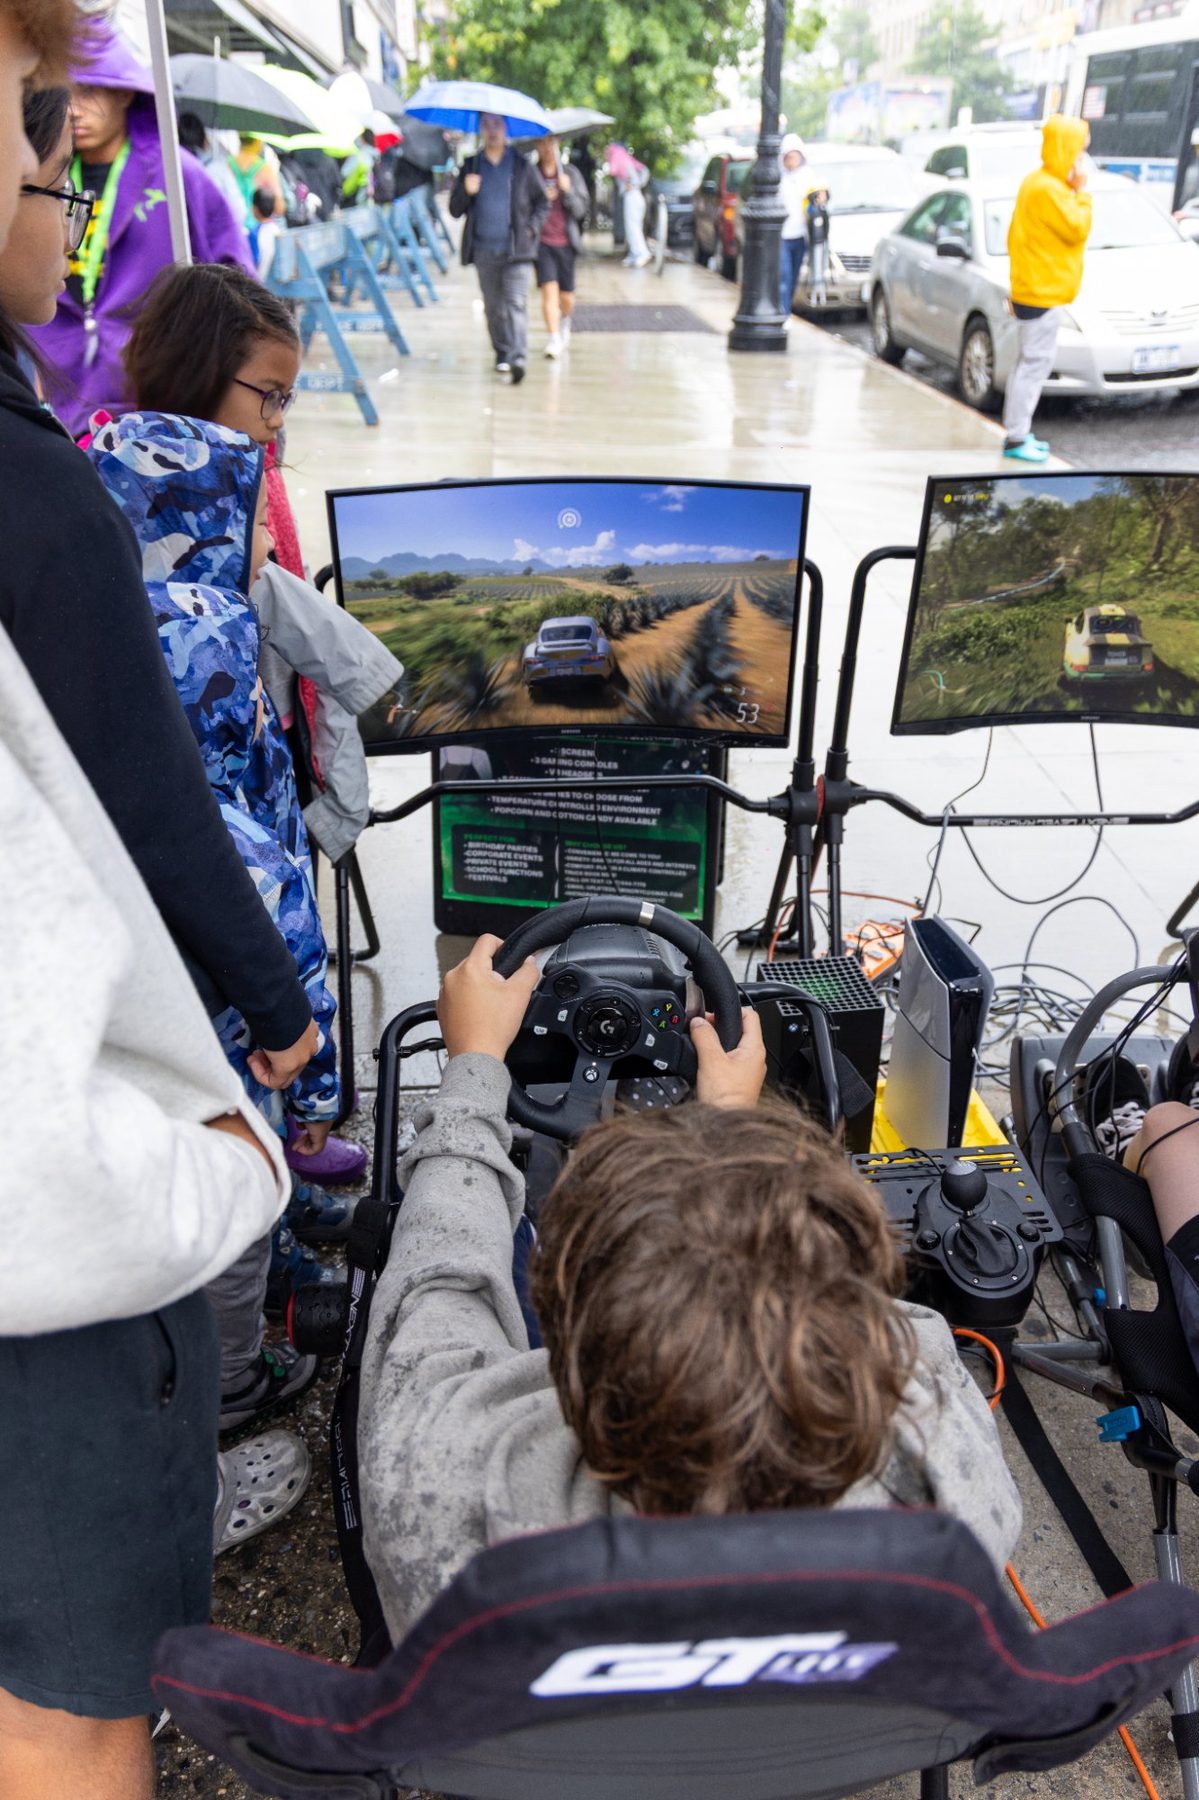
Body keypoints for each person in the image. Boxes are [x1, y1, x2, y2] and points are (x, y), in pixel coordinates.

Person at [0, 9, 292, 1791]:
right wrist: (276, 1005)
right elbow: (155, 805)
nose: (59, 161)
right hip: (47, 1224)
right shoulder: (44, 492)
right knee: (78, 1687)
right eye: (28, 115)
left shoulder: (81, 454)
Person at [358, 936, 1022, 1642]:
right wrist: (732, 1129)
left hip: (558, 1739)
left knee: (512, 1235)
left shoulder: (427, 1490)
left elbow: (438, 1278)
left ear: (568, 1337)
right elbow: (885, 1322)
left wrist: (474, 1070)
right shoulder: (956, 1501)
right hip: (818, 1740)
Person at [88, 410, 349, 1426]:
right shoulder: (215, 631)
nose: (273, 547)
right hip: (235, 1040)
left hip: (129, 1016)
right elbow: (275, 918)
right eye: (257, 525)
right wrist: (318, 1072)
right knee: (231, 1206)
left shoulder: (94, 619)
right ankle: (236, 1393)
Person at [124, 259, 405, 1180]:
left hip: (215, 898)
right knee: (244, 1102)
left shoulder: (136, 485)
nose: (278, 426)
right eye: (270, 398)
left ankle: (281, 1193)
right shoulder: (188, 610)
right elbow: (253, 878)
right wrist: (316, 1061)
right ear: (205, 373)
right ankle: (275, 1233)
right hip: (236, 966)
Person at [25, 18, 251, 438]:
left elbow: (238, 284)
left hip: (162, 398)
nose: (73, 108)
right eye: (64, 92)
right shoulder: (36, 176)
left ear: (126, 93)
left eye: (89, 91)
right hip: (65, 396)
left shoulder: (177, 172)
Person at [1002, 114, 1093, 465]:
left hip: (1034, 291)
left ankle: (1018, 431)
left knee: (1029, 364)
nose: (1080, 160)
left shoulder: (1039, 184)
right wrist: (1082, 192)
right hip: (1039, 294)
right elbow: (1077, 228)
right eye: (1078, 151)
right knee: (1033, 366)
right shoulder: (1048, 189)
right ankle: (1015, 436)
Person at [449, 112, 548, 384]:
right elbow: (455, 210)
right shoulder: (471, 166)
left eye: (497, 124)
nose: (492, 131)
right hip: (484, 249)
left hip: (517, 250)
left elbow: (542, 202)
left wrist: (531, 228)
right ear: (480, 129)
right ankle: (503, 353)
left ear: (505, 128)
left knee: (516, 302)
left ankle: (518, 358)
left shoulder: (521, 165)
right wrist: (465, 191)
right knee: (494, 308)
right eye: (487, 125)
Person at [533, 134, 588, 358]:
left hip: (566, 243)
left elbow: (581, 210)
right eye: (543, 143)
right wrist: (541, 198)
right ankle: (554, 338)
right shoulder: (532, 174)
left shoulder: (570, 174)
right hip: (541, 243)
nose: (547, 148)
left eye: (551, 143)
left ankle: (565, 321)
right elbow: (523, 205)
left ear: (558, 145)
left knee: (567, 298)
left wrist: (567, 192)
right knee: (549, 292)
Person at [778, 132, 808, 317]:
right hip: (783, 235)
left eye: (795, 156)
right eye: (788, 157)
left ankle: (786, 305)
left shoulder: (807, 177)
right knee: (784, 275)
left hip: (800, 235)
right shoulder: (780, 180)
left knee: (794, 276)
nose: (792, 161)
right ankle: (784, 313)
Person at [229, 130, 283, 226]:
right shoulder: (265, 169)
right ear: (257, 142)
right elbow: (279, 207)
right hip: (257, 230)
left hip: (234, 228)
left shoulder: (227, 164)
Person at [620, 156, 651, 267]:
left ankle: (642, 253)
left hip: (633, 196)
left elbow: (634, 179)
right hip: (635, 196)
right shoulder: (629, 163)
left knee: (633, 227)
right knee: (632, 227)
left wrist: (633, 185)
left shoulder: (625, 164)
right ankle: (634, 254)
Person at [248, 182, 281, 277]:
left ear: (255, 209)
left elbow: (253, 262)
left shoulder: (254, 233)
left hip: (258, 282)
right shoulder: (277, 230)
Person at [806, 184, 830, 307]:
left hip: (821, 242)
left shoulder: (823, 211)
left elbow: (826, 227)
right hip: (816, 242)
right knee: (816, 269)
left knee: (821, 268)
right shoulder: (813, 211)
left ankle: (820, 295)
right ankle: (816, 295)